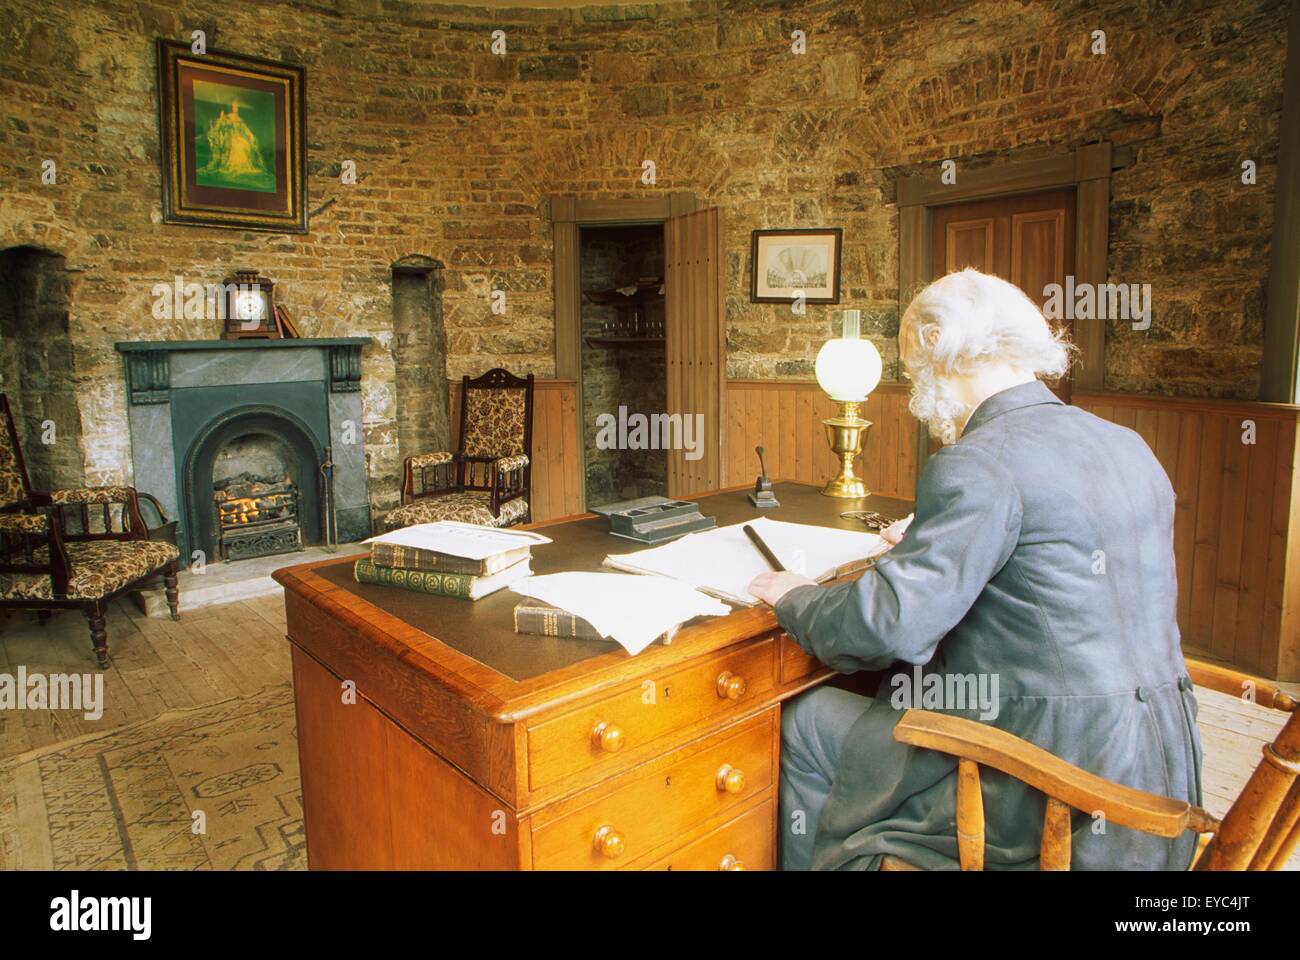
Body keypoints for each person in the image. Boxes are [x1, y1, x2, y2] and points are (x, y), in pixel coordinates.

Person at [749, 268, 1202, 870]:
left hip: (1050, 791)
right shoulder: (1126, 443)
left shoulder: (978, 461)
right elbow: (1058, 574)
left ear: (939, 345)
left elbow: (889, 628)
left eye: (912, 370)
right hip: (1157, 778)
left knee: (805, 719)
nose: (915, 394)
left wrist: (795, 594)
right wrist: (944, 545)